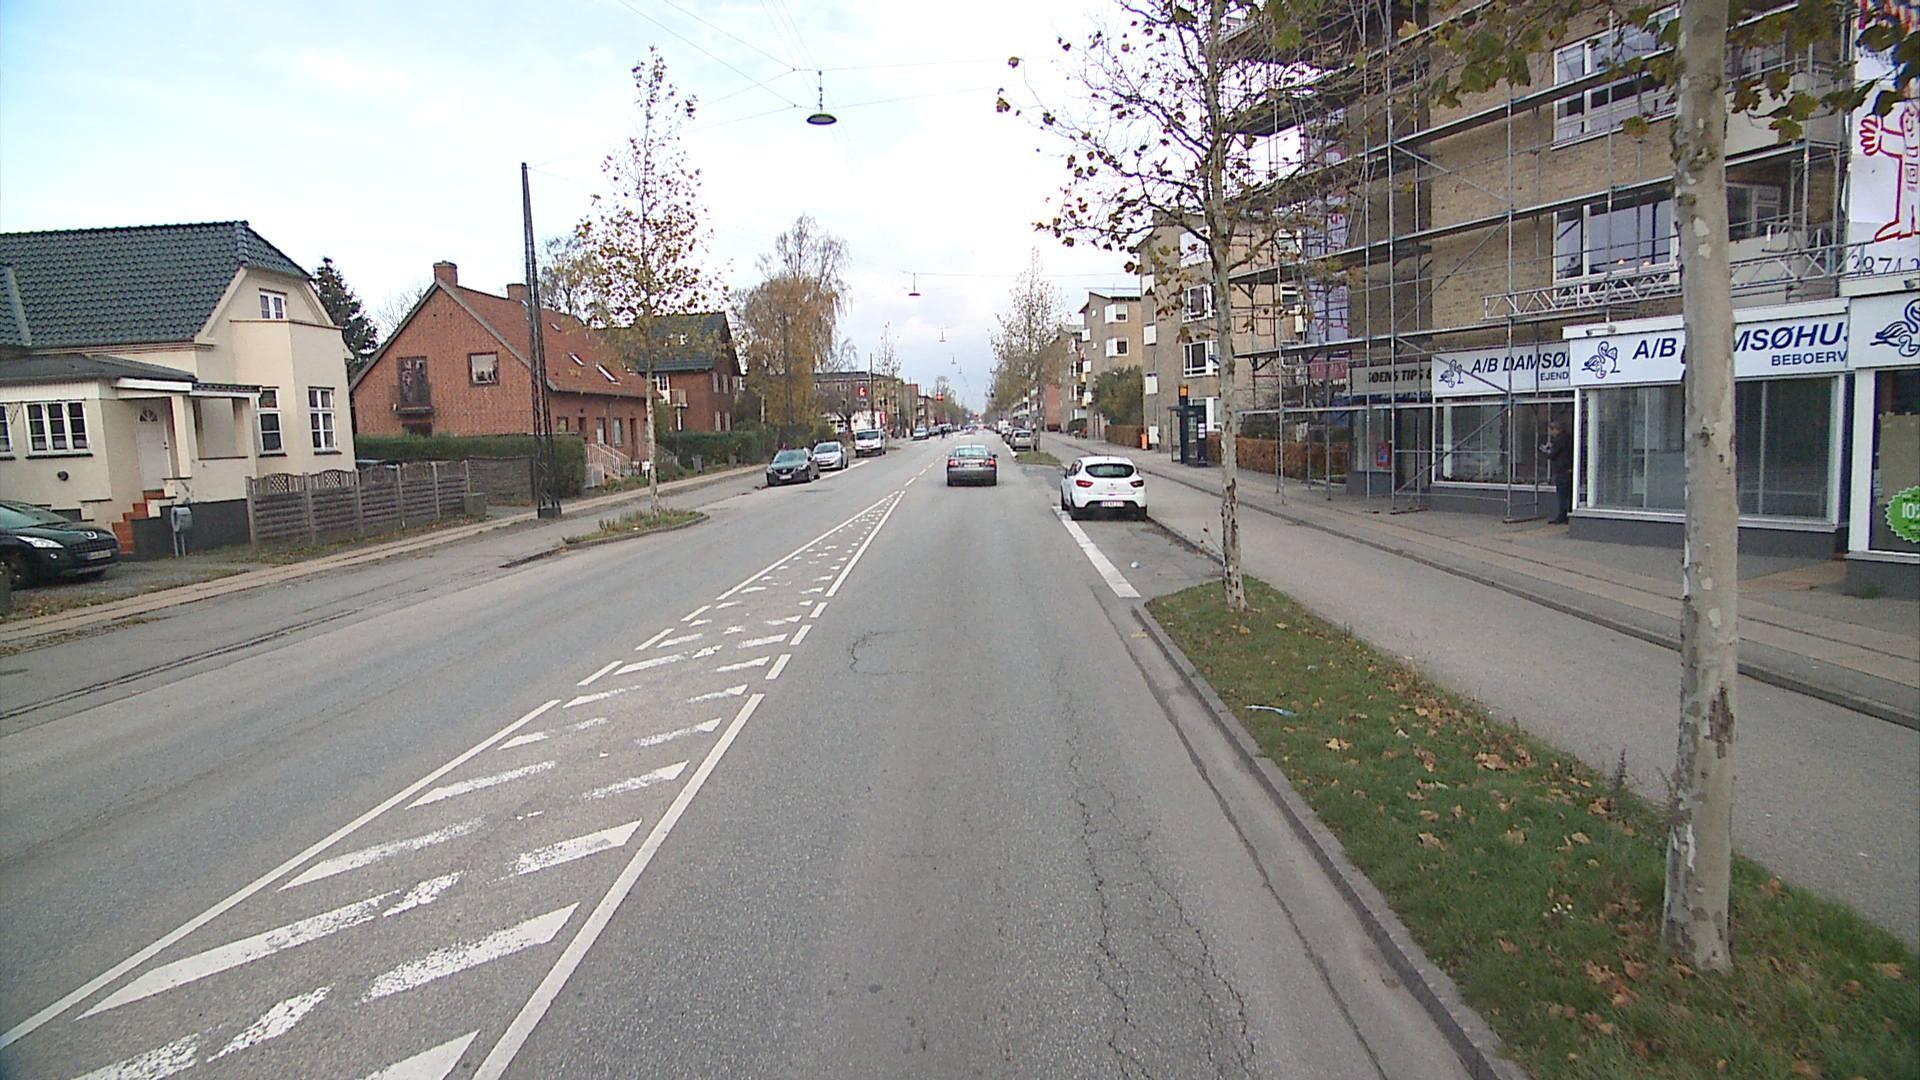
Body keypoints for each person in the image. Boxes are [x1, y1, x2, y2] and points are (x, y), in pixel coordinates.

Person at [1542, 419, 1574, 524]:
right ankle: (1569, 514)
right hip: (1569, 469)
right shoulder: (1569, 438)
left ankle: (1562, 516)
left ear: (1556, 429)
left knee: (1562, 495)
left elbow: (1552, 455)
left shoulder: (1559, 440)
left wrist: (1546, 450)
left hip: (1561, 470)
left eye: (1552, 430)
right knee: (1569, 495)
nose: (1551, 433)